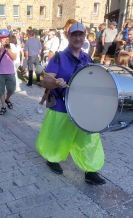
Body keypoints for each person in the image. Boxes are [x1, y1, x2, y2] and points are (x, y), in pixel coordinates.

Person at [36, 22, 106, 185]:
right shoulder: (59, 57)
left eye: (80, 35)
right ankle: (52, 159)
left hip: (83, 107)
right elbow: (46, 81)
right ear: (68, 37)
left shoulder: (87, 57)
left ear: (84, 36)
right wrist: (56, 82)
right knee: (57, 135)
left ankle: (91, 171)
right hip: (61, 105)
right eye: (74, 35)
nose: (77, 38)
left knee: (88, 140)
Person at [0, 29, 17, 115]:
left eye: (5, 38)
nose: (3, 40)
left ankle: (7, 99)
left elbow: (14, 57)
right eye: (2, 38)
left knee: (11, 89)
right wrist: (1, 48)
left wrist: (8, 49)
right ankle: (3, 106)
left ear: (8, 38)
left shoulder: (12, 46)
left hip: (10, 71)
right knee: (0, 90)